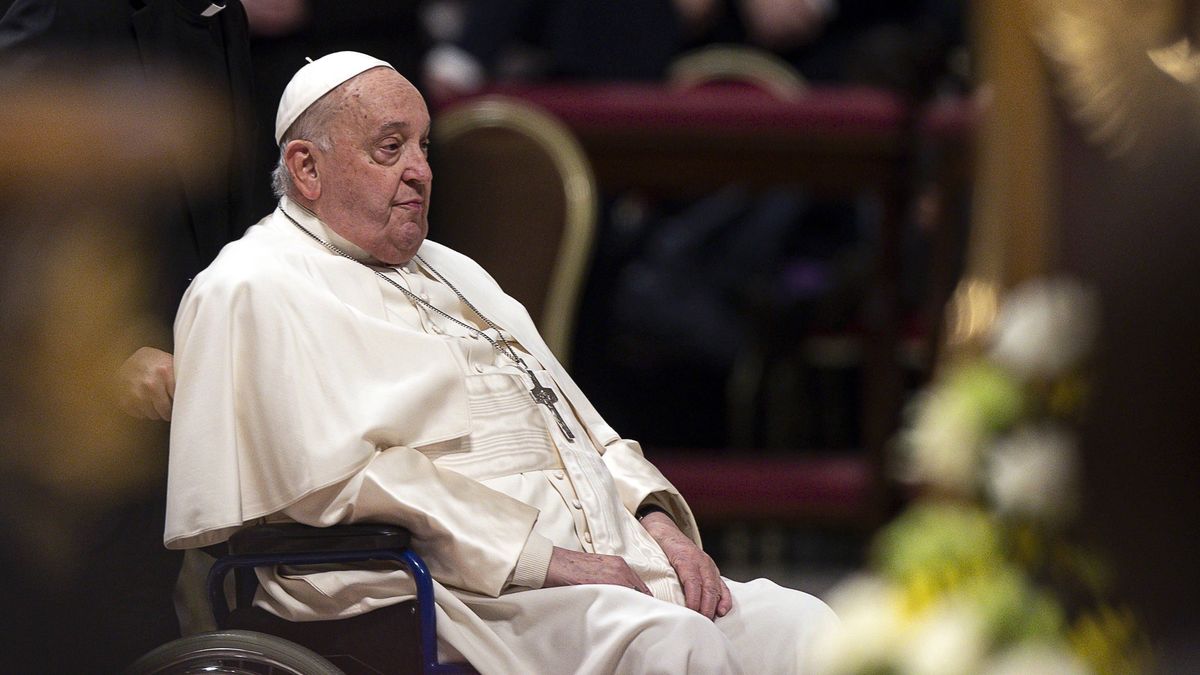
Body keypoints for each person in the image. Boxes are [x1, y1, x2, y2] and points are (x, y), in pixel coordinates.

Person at [166, 51, 837, 673]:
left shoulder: (454, 271)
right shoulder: (252, 286)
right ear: (307, 167)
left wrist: (657, 520)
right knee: (670, 643)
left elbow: (575, 420)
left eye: (424, 146)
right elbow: (343, 482)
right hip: (431, 590)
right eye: (389, 148)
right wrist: (548, 559)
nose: (419, 170)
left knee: (808, 627)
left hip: (592, 566)